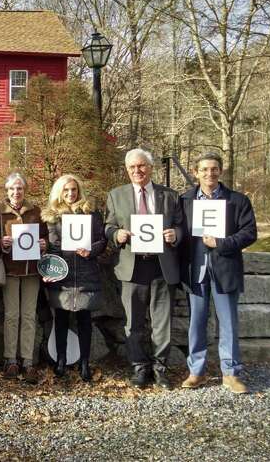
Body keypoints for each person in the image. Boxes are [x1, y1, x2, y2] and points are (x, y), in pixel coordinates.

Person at [104, 148, 183, 388]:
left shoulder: (170, 196)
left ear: (150, 167)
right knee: (134, 322)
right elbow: (107, 227)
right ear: (127, 170)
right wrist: (116, 234)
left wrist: (175, 234)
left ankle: (160, 368)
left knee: (162, 322)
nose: (137, 171)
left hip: (161, 266)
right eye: (132, 167)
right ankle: (139, 367)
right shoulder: (116, 196)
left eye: (141, 166)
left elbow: (182, 226)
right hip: (132, 266)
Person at [178, 152, 256, 394]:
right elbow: (179, 232)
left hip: (225, 270)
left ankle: (231, 374)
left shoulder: (237, 201)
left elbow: (249, 233)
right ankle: (197, 371)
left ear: (220, 171)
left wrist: (221, 243)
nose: (209, 173)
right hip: (196, 271)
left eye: (214, 169)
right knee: (196, 323)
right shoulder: (185, 200)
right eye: (204, 169)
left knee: (229, 323)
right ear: (196, 172)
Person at [41, 174, 107, 382]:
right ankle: (61, 361)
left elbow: (102, 240)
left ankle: (85, 363)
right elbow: (51, 247)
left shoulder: (91, 214)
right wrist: (49, 271)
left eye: (74, 190)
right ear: (59, 192)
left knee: (84, 319)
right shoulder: (52, 217)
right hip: (63, 275)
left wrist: (91, 250)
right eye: (66, 190)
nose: (71, 194)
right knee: (60, 319)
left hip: (86, 273)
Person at [0, 173, 47, 384]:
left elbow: (45, 236)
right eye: (13, 189)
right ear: (7, 191)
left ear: (25, 190)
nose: (16, 192)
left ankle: (27, 361)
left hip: (32, 270)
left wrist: (44, 244)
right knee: (12, 315)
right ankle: (10, 360)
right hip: (10, 269)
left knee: (29, 316)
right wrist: (0, 243)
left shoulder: (36, 211)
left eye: (20, 188)